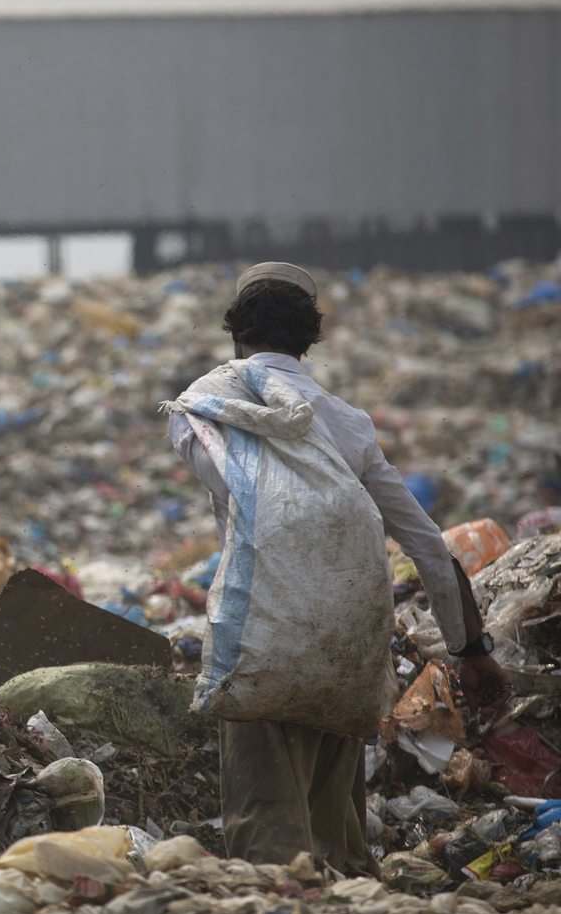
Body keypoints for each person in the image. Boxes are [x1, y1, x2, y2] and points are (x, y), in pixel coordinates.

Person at [168, 263, 509, 872]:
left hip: (264, 644)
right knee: (337, 831)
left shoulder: (207, 407)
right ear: (310, 337)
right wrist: (472, 649)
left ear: (236, 332)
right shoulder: (348, 424)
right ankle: (351, 913)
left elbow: (245, 490)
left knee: (269, 838)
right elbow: (429, 547)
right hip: (347, 647)